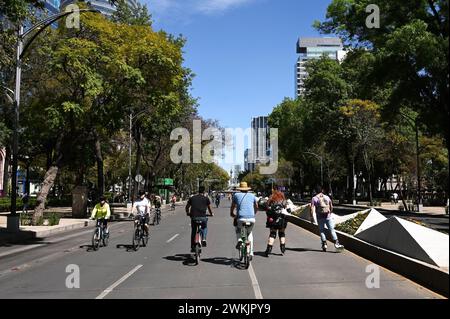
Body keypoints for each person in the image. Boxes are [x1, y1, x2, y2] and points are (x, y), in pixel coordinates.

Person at [310, 185, 344, 252]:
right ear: (322, 190)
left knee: (322, 230)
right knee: (331, 229)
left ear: (315, 191)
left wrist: (311, 217)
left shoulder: (314, 198)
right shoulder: (327, 197)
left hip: (319, 217)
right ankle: (336, 243)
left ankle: (324, 244)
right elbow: (331, 206)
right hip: (328, 216)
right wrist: (330, 213)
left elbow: (312, 208)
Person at [230, 182, 258, 260]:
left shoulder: (236, 195)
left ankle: (239, 239)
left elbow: (233, 206)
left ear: (240, 189)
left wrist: (232, 214)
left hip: (241, 218)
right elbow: (256, 206)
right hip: (252, 219)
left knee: (239, 229)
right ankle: (251, 252)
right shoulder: (252, 195)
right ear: (247, 189)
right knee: (249, 233)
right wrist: (254, 213)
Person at [185, 186, 214, 252]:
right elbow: (209, 208)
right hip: (203, 218)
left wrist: (187, 212)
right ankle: (204, 238)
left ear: (198, 191)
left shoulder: (192, 198)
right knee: (205, 227)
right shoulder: (206, 198)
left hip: (194, 218)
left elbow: (187, 207)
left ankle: (192, 246)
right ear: (204, 191)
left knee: (193, 231)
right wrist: (211, 214)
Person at [264, 186, 289, 257]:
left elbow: (267, 207)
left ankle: (268, 249)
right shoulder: (283, 199)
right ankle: (283, 248)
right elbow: (286, 209)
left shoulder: (271, 198)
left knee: (272, 234)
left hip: (273, 219)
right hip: (282, 219)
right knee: (282, 233)